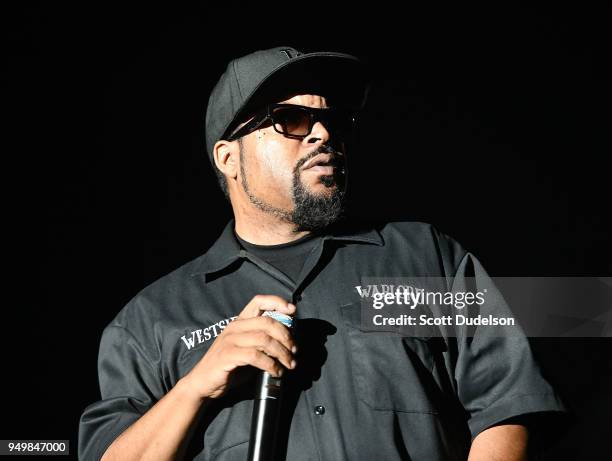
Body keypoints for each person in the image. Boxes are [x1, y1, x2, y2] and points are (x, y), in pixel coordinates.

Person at [78, 46, 566, 460]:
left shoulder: (423, 257)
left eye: (330, 120)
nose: (322, 134)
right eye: (290, 119)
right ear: (228, 158)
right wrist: (197, 383)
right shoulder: (149, 320)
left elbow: (509, 406)